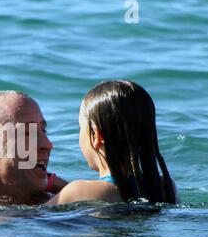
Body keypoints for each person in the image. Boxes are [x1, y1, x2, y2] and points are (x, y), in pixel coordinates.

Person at [47, 80, 177, 205]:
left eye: (80, 127)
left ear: (97, 136)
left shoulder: (78, 190)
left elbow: (30, 218)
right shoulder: (166, 187)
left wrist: (48, 184)